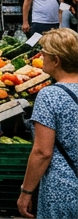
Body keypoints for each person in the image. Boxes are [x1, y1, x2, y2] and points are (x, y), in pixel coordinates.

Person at [17, 28, 78, 219]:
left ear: (57, 60)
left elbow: (42, 152)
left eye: (44, 54)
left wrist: (26, 192)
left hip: (62, 190)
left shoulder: (50, 95)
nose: (41, 58)